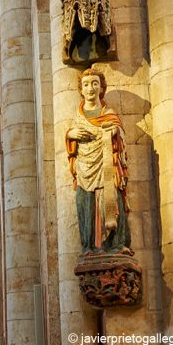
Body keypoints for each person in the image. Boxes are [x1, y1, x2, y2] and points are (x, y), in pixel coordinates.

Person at [66, 68, 132, 256]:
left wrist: (114, 133)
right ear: (81, 89)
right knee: (86, 203)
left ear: (101, 88)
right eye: (86, 84)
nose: (90, 88)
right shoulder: (77, 116)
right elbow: (70, 136)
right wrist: (71, 134)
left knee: (112, 200)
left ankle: (116, 243)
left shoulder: (108, 113)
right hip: (85, 167)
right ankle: (90, 246)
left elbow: (119, 133)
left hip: (106, 166)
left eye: (95, 83)